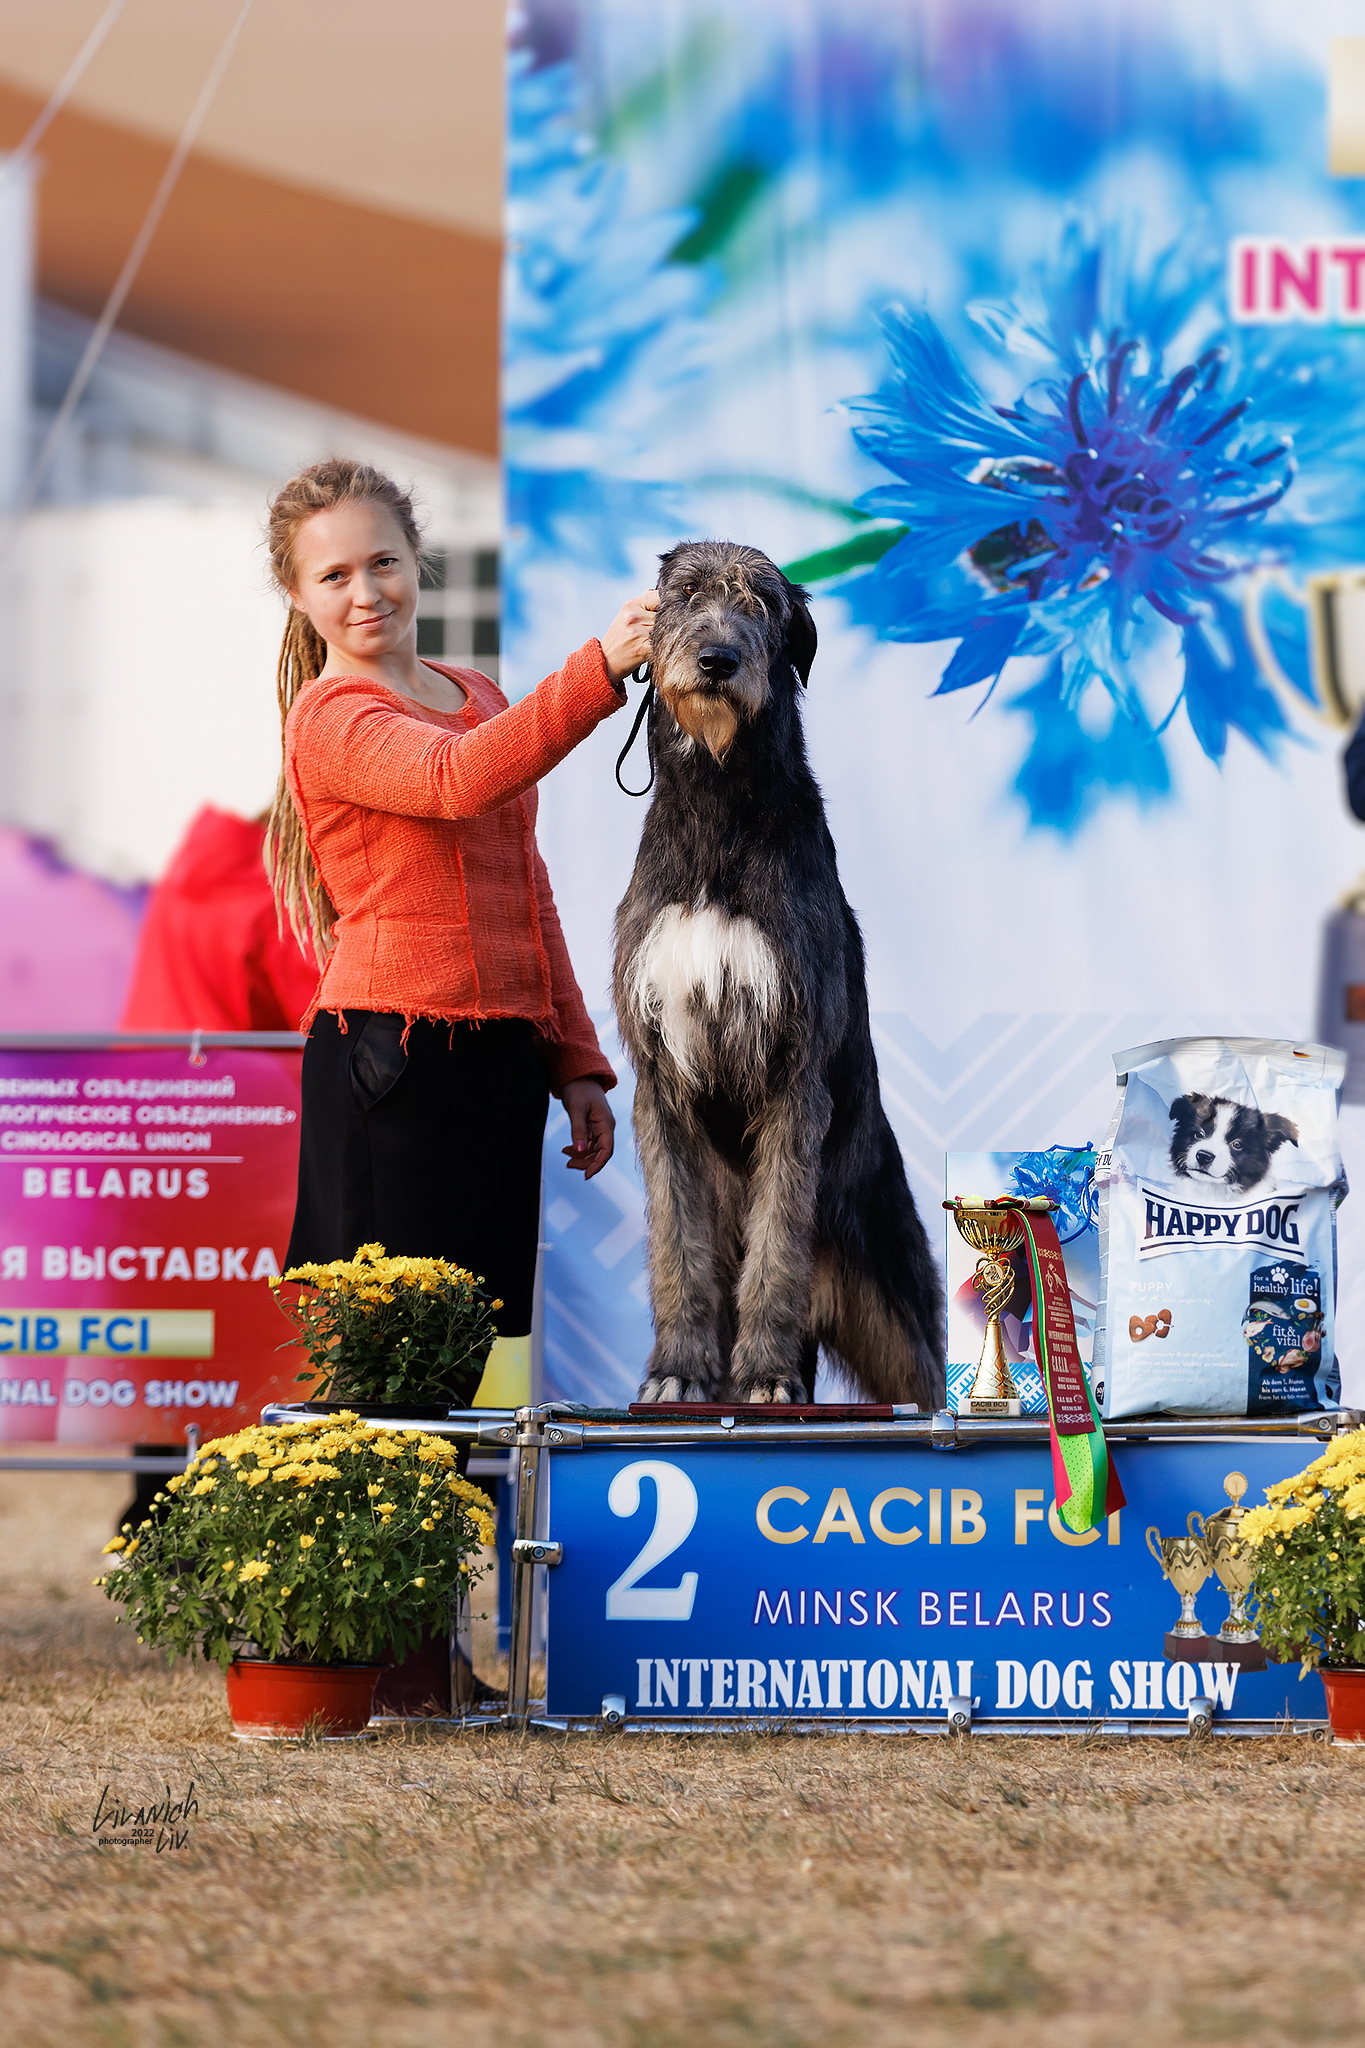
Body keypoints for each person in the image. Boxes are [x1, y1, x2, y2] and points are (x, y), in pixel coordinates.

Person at [266, 457, 655, 1403]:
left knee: (470, 1364)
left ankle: (436, 1551)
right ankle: (315, 1550)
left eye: (383, 563)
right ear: (297, 594)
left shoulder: (476, 692)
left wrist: (573, 1062)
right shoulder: (332, 714)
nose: (366, 592)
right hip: (390, 1063)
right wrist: (598, 669)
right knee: (384, 1370)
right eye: (334, 576)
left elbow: (528, 892)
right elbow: (455, 780)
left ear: (417, 561)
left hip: (498, 1066)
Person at [120, 804, 319, 1033]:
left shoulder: (198, 863)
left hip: (140, 1061)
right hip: (224, 1066)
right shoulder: (281, 895)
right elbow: (326, 1026)